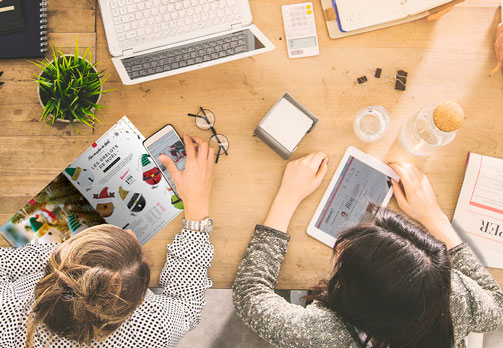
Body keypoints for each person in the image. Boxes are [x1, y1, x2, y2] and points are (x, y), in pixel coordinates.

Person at [233, 153, 503, 347]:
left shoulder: (328, 336)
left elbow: (250, 295)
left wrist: (288, 196)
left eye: (343, 257)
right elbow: (498, 305)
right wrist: (433, 216)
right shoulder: (455, 297)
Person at [0, 133, 216, 348]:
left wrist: (85, 252)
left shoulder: (5, 310)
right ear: (135, 301)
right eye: (142, 258)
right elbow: (186, 308)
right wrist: (197, 212)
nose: (130, 234)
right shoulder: (155, 330)